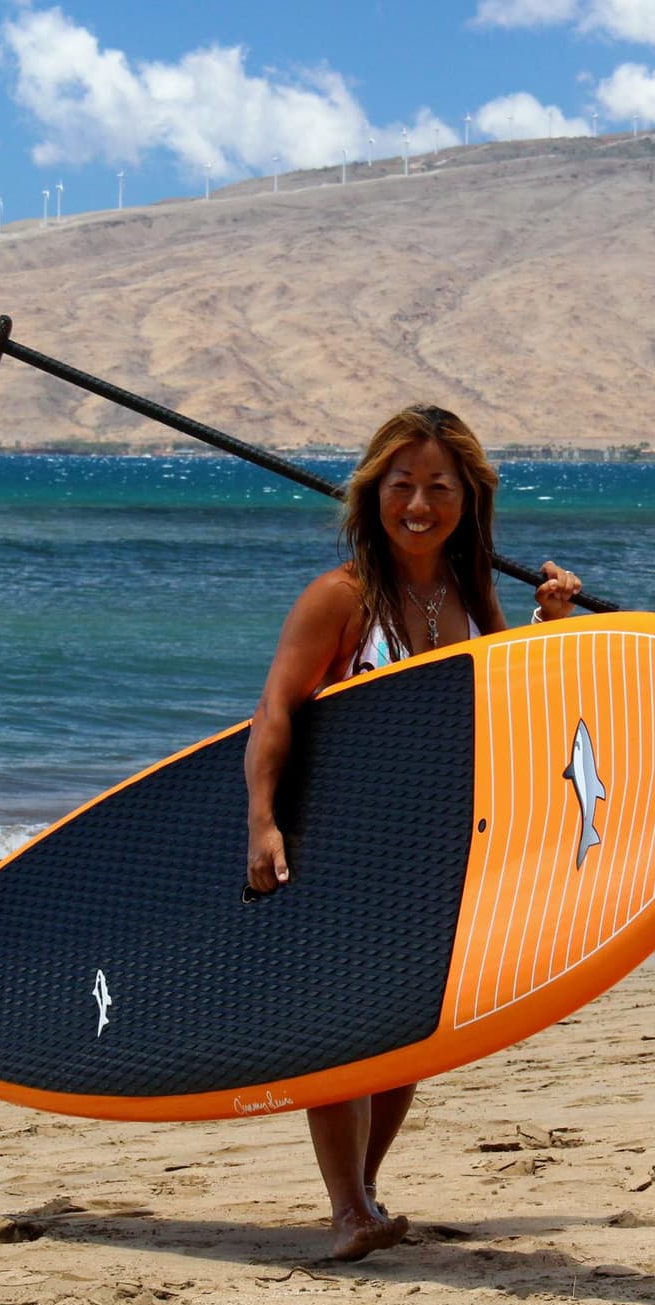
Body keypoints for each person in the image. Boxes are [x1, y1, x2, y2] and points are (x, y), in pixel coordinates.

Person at [243, 403, 582, 1261]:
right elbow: (275, 714)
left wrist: (547, 622)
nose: (420, 505)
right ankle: (348, 1205)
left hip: (432, 841)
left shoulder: (471, 594)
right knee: (340, 1026)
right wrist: (263, 821)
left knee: (406, 1034)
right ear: (374, 493)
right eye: (403, 486)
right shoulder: (341, 597)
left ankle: (361, 1192)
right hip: (340, 839)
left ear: (469, 497)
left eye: (439, 487)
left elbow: (512, 698)